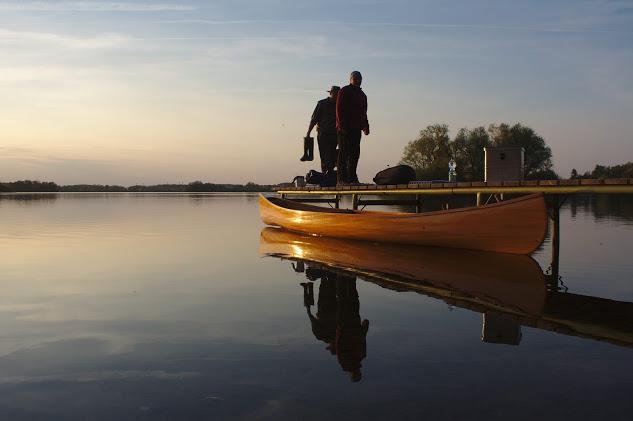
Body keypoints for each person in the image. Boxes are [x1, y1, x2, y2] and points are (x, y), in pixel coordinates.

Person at [336, 71, 369, 184]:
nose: (357, 80)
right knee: (344, 152)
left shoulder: (362, 95)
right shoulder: (344, 91)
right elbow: (339, 109)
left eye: (359, 78)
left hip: (356, 128)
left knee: (355, 153)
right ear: (350, 79)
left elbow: (364, 112)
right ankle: (341, 179)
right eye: (355, 78)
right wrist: (341, 125)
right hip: (344, 128)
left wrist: (366, 126)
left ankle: (352, 177)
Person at [306, 86, 340, 174]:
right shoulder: (322, 104)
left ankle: (330, 173)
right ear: (331, 93)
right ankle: (325, 174)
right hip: (323, 134)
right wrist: (308, 132)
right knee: (325, 155)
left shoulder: (339, 105)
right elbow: (314, 119)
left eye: (338, 93)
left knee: (333, 155)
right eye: (335, 93)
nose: (337, 95)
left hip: (335, 134)